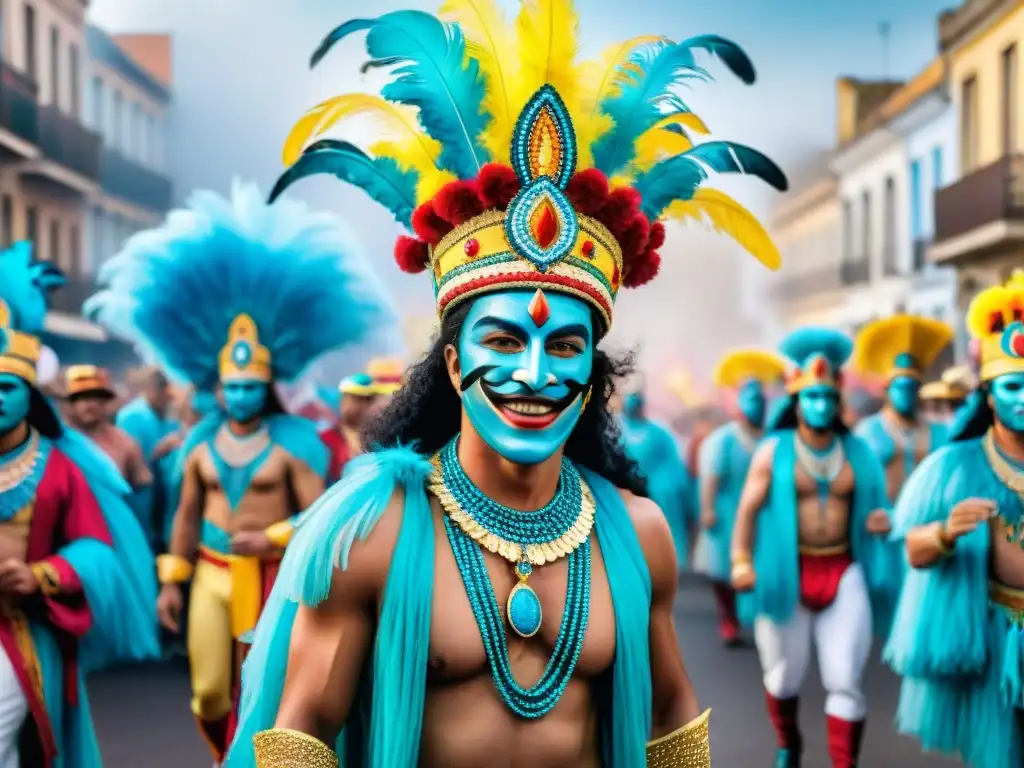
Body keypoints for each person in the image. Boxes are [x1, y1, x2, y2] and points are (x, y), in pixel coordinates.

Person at [228, 4, 787, 766]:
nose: (535, 373)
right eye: (502, 340)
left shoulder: (637, 532)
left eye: (564, 345)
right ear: (454, 365)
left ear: (592, 373)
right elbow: (301, 729)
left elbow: (670, 709)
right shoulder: (377, 531)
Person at [86, 181, 394, 765]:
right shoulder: (198, 448)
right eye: (234, 386)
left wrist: (273, 537)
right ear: (219, 388)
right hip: (210, 571)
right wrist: (172, 583)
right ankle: (220, 751)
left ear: (267, 387)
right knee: (207, 691)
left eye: (254, 385)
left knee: (263, 684)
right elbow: (183, 514)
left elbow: (319, 514)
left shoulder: (290, 447)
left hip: (270, 573)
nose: (244, 394)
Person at [0, 241, 159, 766]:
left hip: (23, 631)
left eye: (6, 386)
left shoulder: (60, 467)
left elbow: (97, 549)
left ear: (31, 395)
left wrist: (41, 574)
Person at [730, 327, 899, 768]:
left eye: (827, 397)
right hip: (786, 572)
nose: (820, 405)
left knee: (845, 679)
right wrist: (741, 560)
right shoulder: (772, 450)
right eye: (811, 397)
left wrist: (884, 522)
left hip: (844, 570)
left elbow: (880, 509)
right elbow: (746, 511)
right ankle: (788, 744)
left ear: (837, 399)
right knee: (783, 679)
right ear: (795, 400)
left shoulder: (858, 451)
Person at [884, 272, 1024, 768]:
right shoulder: (951, 467)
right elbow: (915, 552)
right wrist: (945, 533)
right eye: (1013, 386)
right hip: (989, 633)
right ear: (988, 395)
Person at [696, 348, 786, 646]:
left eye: (760, 400)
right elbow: (711, 477)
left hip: (765, 512)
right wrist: (708, 509)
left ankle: (760, 616)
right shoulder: (723, 440)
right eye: (749, 399)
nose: (756, 405)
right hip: (728, 507)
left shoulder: (773, 438)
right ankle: (729, 617)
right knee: (723, 568)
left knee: (760, 562)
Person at [851, 314, 953, 504]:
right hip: (884, 525)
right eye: (899, 386)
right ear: (887, 389)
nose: (905, 393)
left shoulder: (939, 432)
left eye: (912, 386)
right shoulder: (868, 431)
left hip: (930, 525)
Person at [63, 365, 155, 537]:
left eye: (94, 397)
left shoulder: (125, 443)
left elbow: (142, 485)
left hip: (115, 531)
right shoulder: (60, 443)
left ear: (105, 402)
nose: (88, 405)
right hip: (68, 530)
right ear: (72, 405)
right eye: (80, 398)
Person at [619, 386, 695, 570]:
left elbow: (674, 469)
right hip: (624, 497)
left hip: (657, 495)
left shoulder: (659, 433)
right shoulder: (613, 430)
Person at [320, 358, 404, 484]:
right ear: (342, 400)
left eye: (366, 399)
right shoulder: (326, 439)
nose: (360, 406)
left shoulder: (383, 438)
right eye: (354, 398)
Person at [116, 365, 176, 464]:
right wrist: (160, 450)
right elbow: (130, 459)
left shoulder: (165, 414)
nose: (170, 399)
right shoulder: (131, 415)